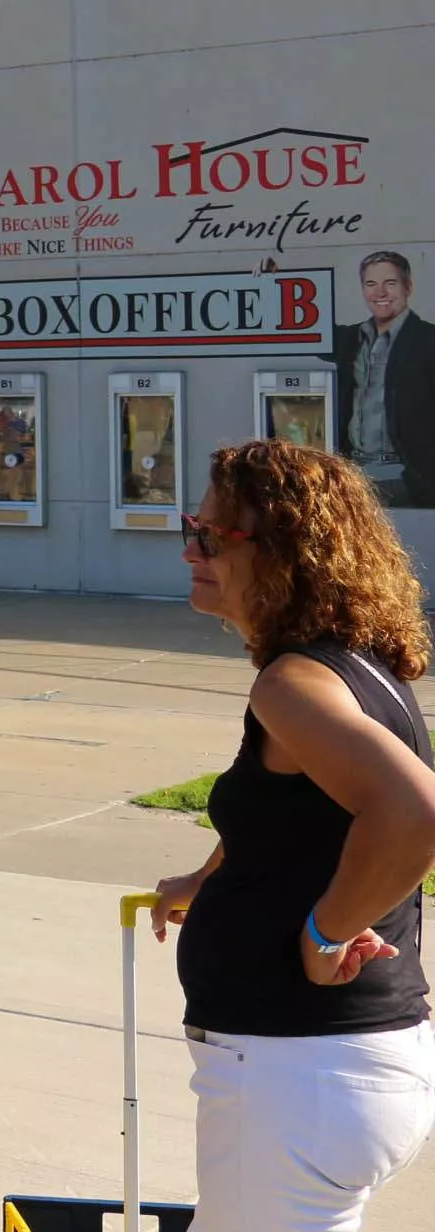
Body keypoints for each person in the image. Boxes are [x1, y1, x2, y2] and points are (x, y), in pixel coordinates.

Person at [148, 441, 435, 1230]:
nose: (190, 550)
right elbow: (294, 818)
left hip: (296, 1074)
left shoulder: (293, 684)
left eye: (211, 536)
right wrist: (209, 880)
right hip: (327, 1073)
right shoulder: (353, 667)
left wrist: (324, 930)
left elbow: (415, 815)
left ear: (282, 553)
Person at [333, 250, 435, 508]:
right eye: (371, 284)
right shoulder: (350, 339)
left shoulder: (428, 340)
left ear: (407, 287)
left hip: (404, 479)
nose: (380, 293)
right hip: (353, 478)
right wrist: (271, 283)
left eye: (390, 283)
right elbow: (304, 325)